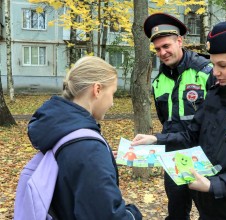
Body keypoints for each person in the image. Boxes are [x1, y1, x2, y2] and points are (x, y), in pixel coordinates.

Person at [132, 21, 226, 219]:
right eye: (213, 64)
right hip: (208, 209)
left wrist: (213, 185)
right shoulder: (216, 93)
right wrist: (156, 139)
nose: (214, 72)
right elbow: (192, 135)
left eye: (222, 65)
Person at [27, 56, 142, 220]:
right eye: (113, 93)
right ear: (97, 89)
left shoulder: (62, 128)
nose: (112, 103)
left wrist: (102, 162)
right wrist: (133, 213)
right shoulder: (88, 148)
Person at [143, 12, 215, 220]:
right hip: (174, 158)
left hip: (205, 158)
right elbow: (166, 123)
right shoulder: (158, 82)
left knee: (210, 212)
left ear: (180, 41)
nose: (162, 53)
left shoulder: (205, 72)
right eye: (157, 49)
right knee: (176, 213)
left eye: (166, 46)